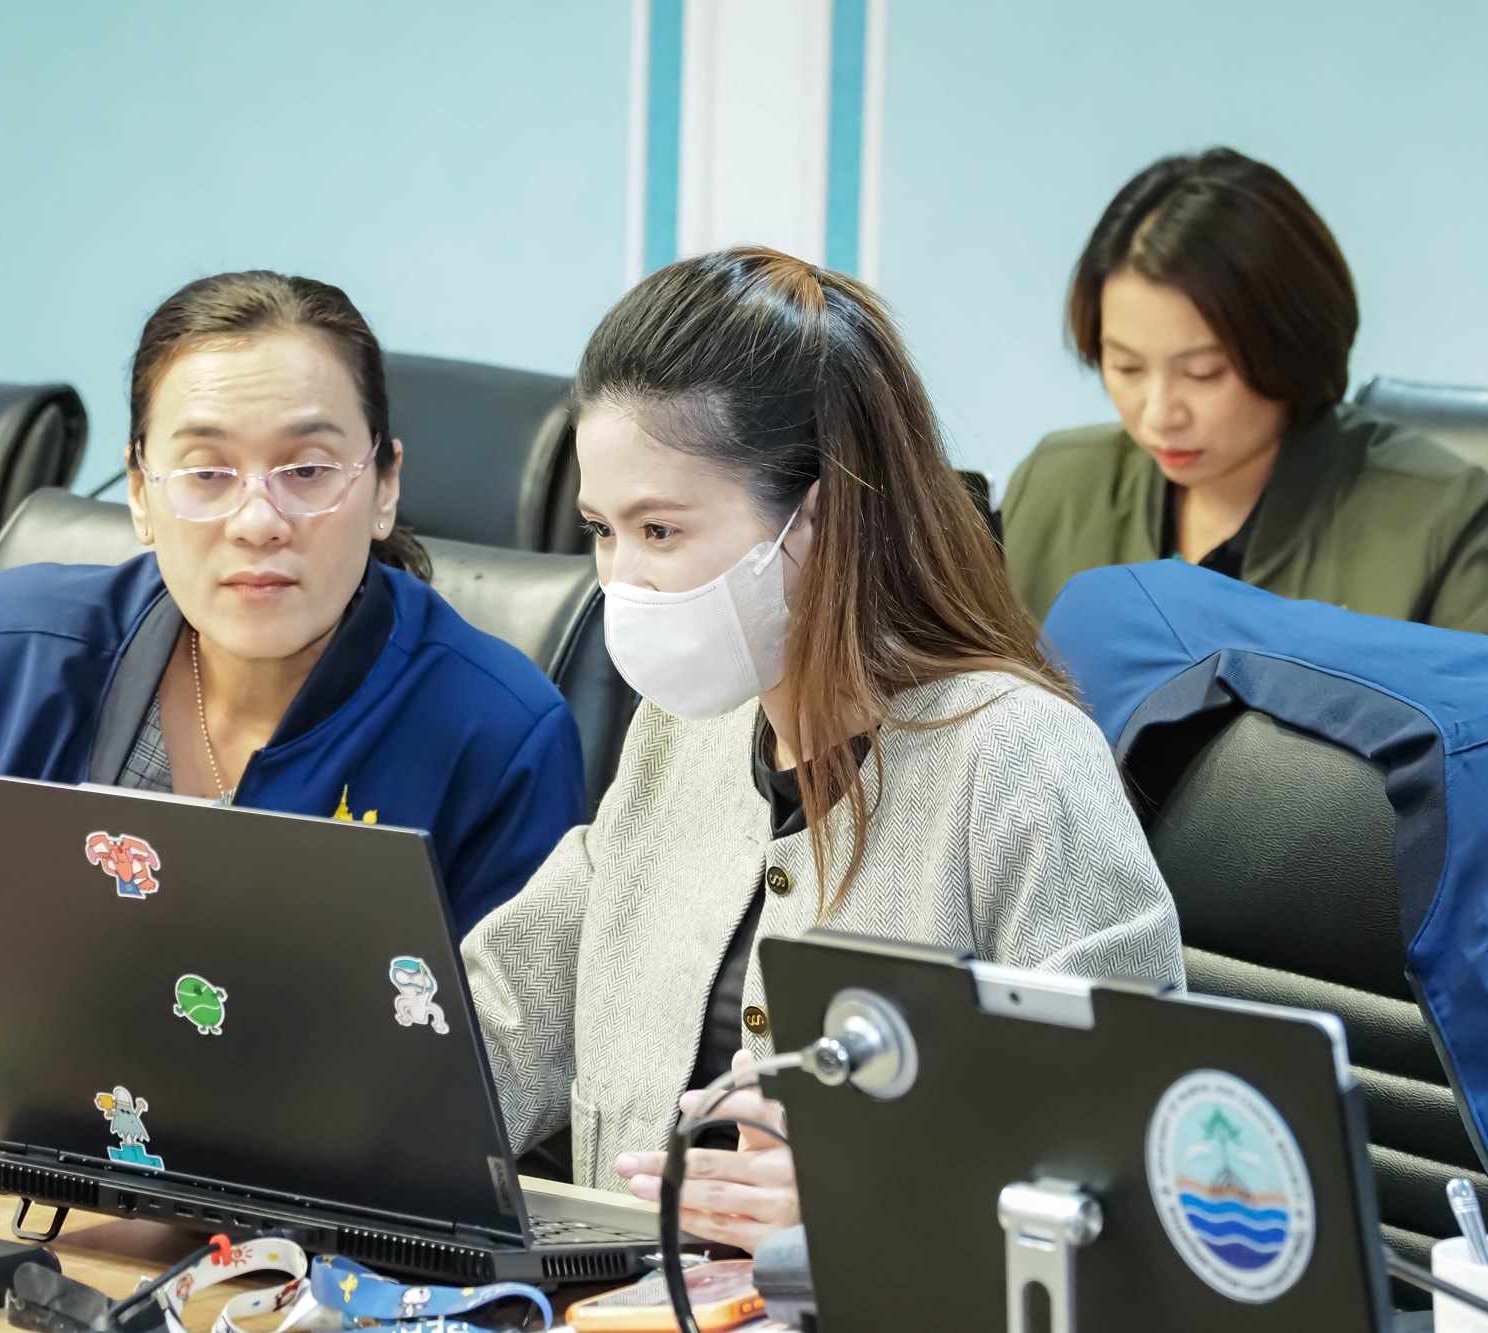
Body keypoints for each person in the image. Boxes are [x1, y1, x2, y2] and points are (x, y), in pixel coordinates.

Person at [462, 248, 1184, 1251]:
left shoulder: (1018, 760)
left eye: (659, 531)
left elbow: (1132, 1153)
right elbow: (497, 1021)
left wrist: (870, 1202)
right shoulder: (679, 729)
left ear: (821, 517)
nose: (619, 582)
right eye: (601, 530)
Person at [0, 270, 587, 1036]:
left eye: (309, 470)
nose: (258, 520)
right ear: (141, 493)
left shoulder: (497, 735)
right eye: (207, 472)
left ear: (385, 486)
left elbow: (513, 1064)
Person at [1000, 148, 1488, 642]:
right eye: (1127, 367)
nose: (1159, 415)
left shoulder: (1442, 517)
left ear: (1290, 347)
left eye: (1204, 373)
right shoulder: (1056, 490)